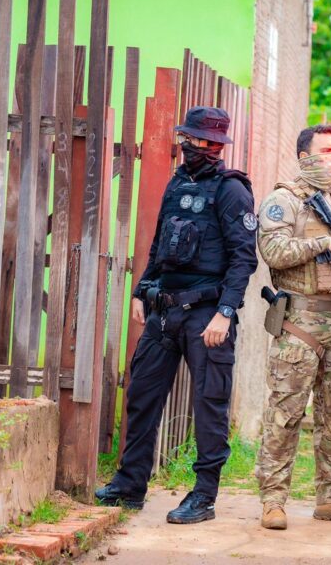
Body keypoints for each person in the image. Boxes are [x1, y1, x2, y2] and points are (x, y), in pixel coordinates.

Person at [95, 106, 258, 524]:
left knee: (210, 406)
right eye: (189, 140)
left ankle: (203, 496)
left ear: (218, 146)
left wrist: (225, 313)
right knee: (142, 397)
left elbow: (244, 259)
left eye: (202, 142)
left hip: (206, 315)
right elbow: (160, 243)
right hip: (164, 311)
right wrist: (142, 289)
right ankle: (130, 485)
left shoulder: (232, 190)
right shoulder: (177, 183)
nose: (192, 148)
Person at [255, 124, 331, 530]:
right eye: (327, 150)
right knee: (286, 413)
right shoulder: (283, 202)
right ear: (305, 157)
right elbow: (272, 251)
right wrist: (322, 245)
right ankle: (273, 501)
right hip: (300, 323)